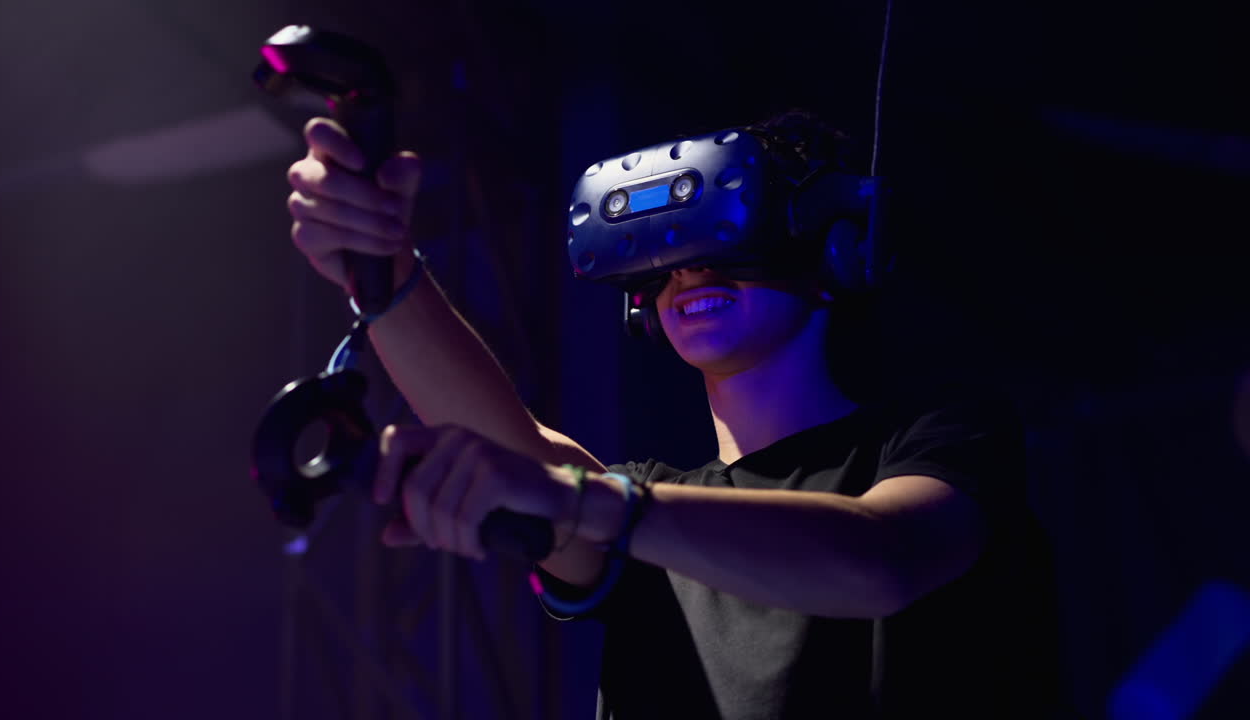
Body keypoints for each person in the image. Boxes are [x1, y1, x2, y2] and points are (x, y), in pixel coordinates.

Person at [284, 109, 1059, 718]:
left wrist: (584, 503)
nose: (690, 271)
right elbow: (522, 452)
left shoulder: (947, 434)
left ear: (835, 248)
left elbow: (883, 560)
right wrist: (379, 269)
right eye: (669, 254)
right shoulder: (642, 511)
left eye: (727, 240)